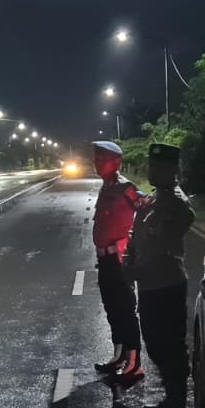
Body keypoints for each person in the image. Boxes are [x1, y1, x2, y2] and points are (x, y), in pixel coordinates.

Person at [126, 143, 195, 408]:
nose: (152, 171)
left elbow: (162, 241)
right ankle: (172, 399)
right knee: (154, 343)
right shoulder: (155, 198)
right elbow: (137, 233)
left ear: (172, 170)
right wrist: (128, 260)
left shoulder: (176, 204)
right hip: (149, 284)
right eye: (151, 166)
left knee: (170, 346)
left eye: (159, 168)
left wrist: (137, 267)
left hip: (166, 284)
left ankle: (178, 405)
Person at [89, 140, 147, 381]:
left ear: (116, 162)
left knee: (125, 309)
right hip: (104, 261)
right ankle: (119, 355)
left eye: (102, 159)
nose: (97, 163)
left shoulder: (125, 187)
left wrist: (131, 245)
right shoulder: (106, 187)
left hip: (119, 260)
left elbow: (145, 209)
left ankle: (134, 362)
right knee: (111, 308)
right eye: (96, 159)